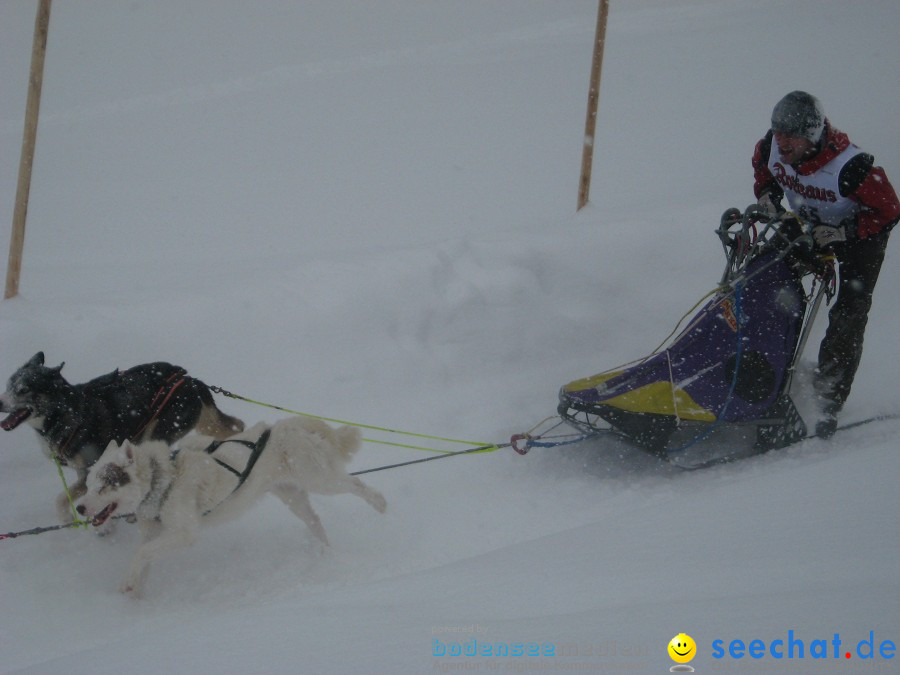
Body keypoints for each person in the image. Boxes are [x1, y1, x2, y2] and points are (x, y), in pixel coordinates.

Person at [752, 91, 899, 438]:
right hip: (806, 222)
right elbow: (764, 173)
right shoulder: (770, 146)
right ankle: (754, 368)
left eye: (792, 135)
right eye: (778, 132)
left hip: (860, 236)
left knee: (849, 311)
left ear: (813, 135)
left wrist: (845, 232)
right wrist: (768, 197)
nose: (782, 142)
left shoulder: (853, 168)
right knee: (759, 276)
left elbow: (889, 211)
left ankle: (826, 402)